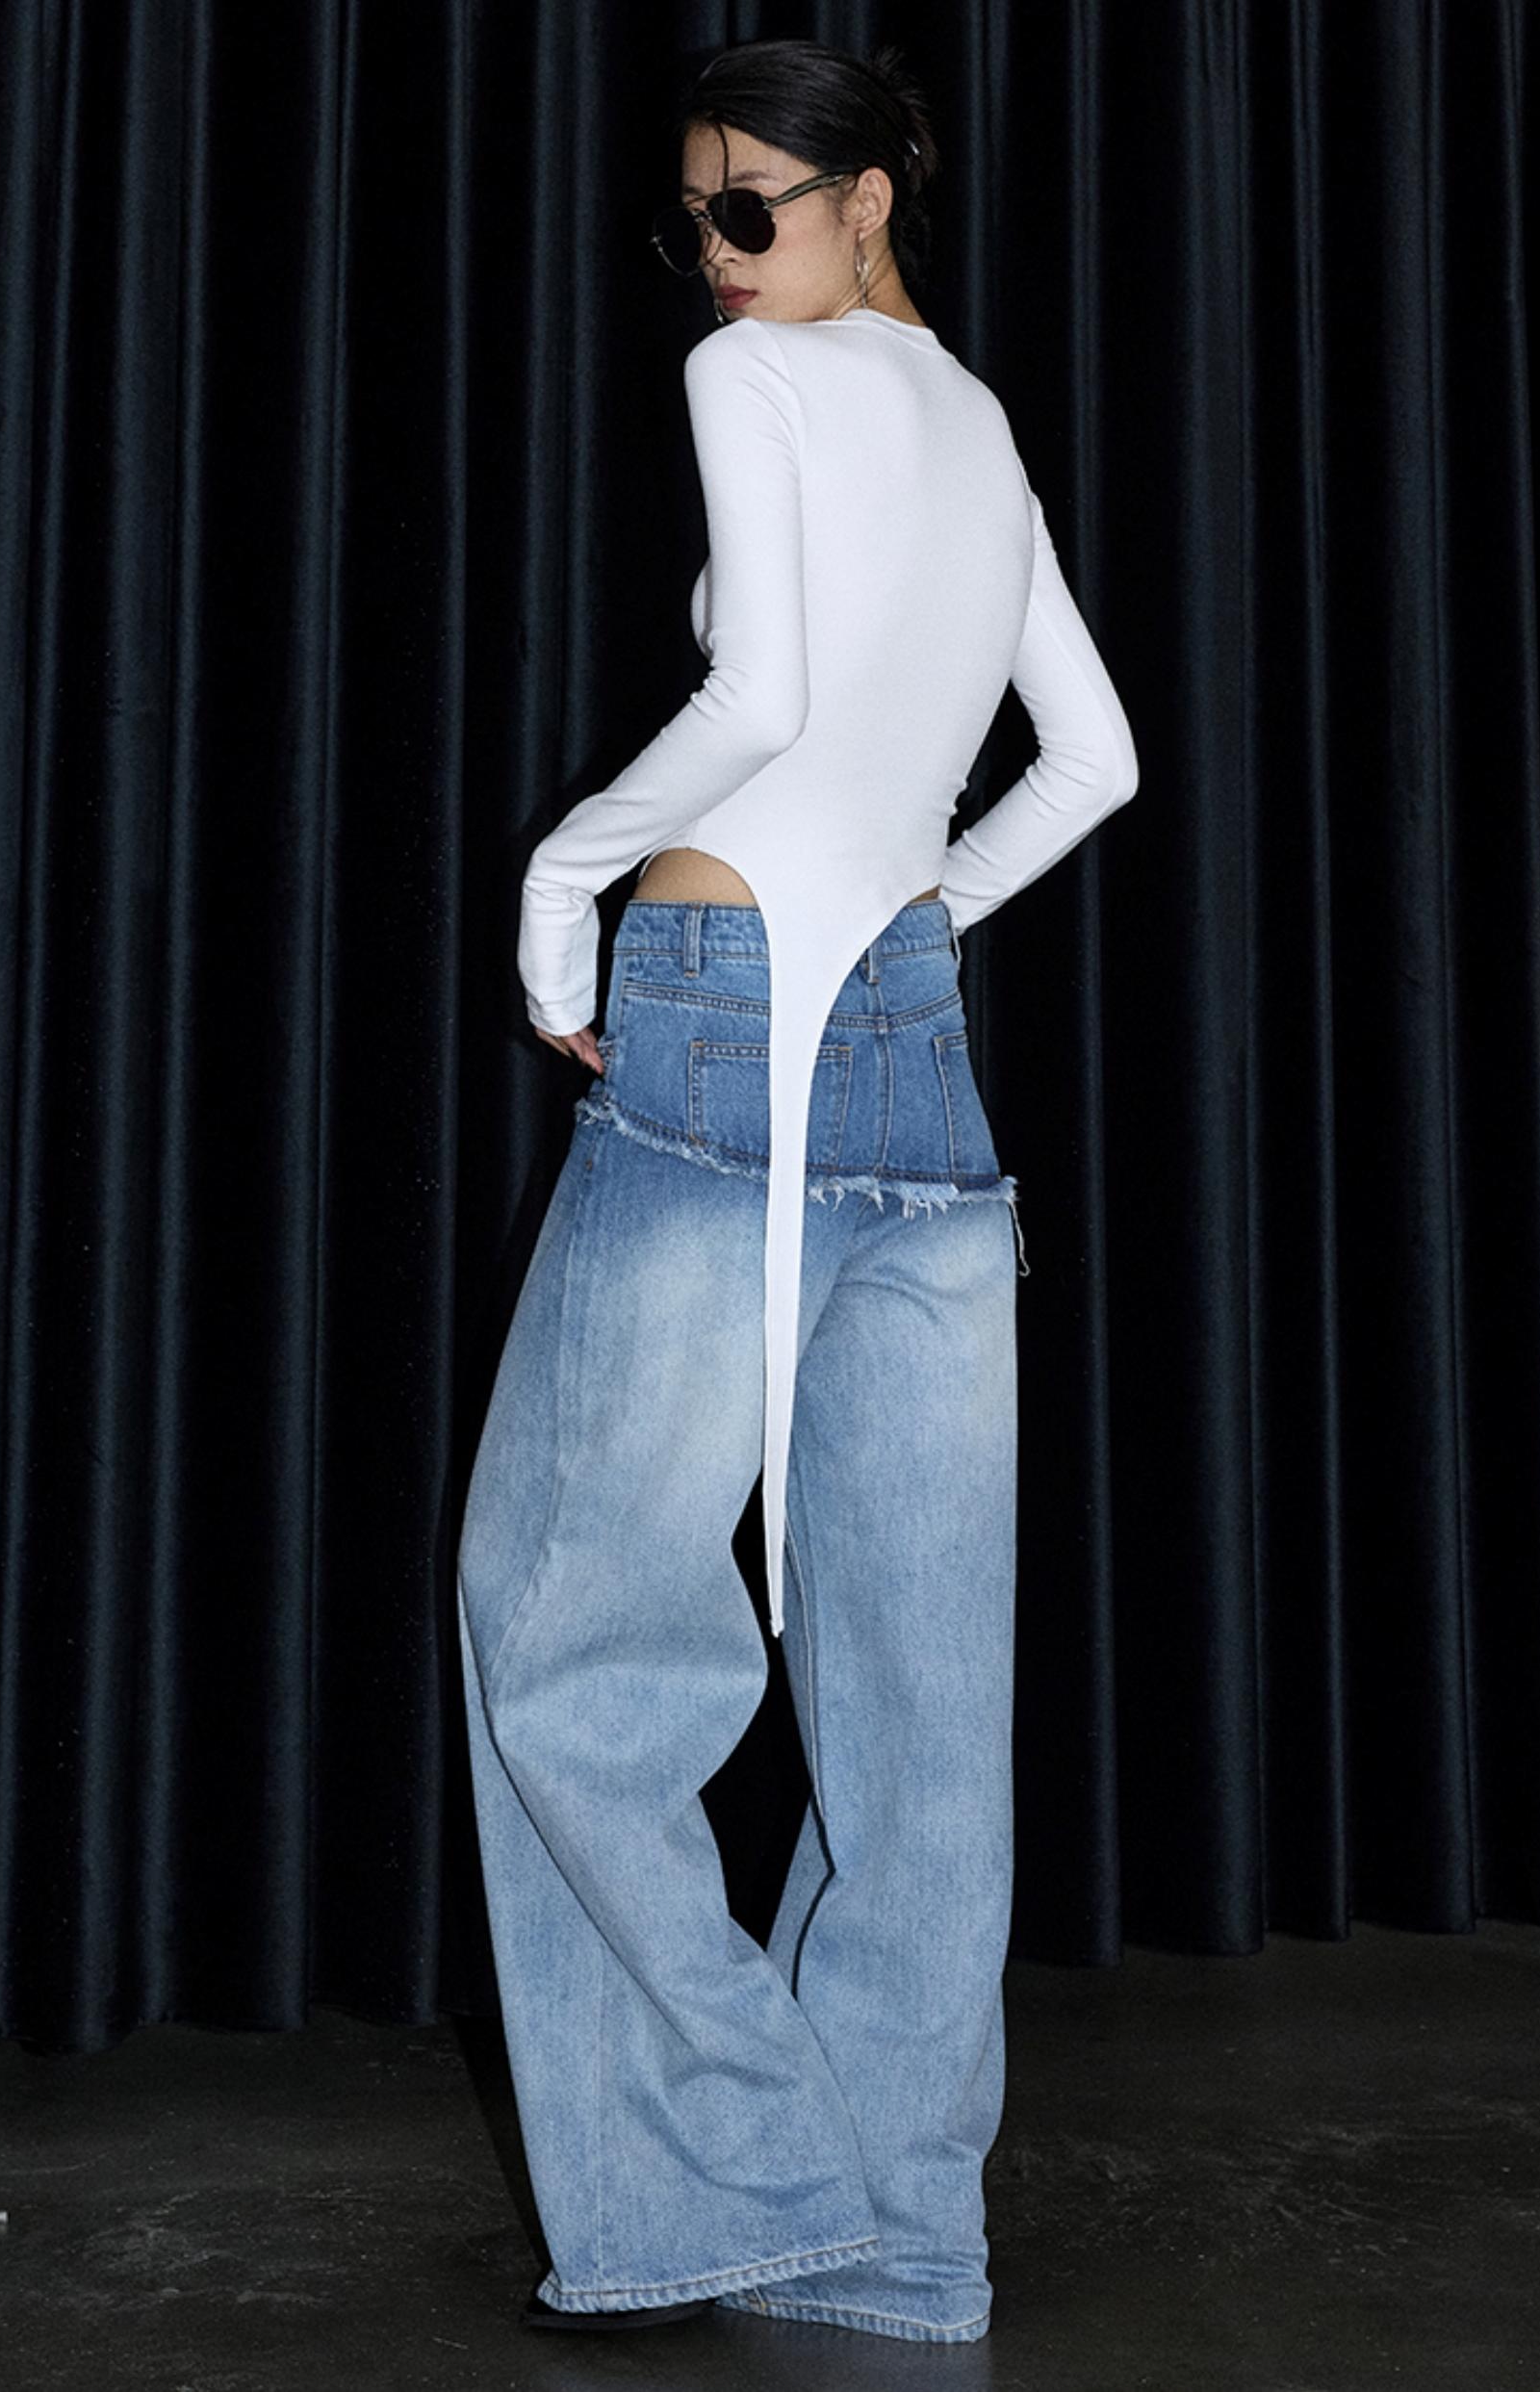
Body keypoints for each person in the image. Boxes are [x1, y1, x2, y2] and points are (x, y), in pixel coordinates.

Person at [456, 35, 1139, 2345]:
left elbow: (755, 696)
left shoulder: (749, 384)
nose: (718, 256)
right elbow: (1095, 760)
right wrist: (915, 912)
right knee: (922, 1696)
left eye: (752, 207)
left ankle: (738, 2183)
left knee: (566, 1635)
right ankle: (902, 2236)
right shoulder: (977, 419)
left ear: (868, 196)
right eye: (692, 221)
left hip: (720, 1002)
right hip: (908, 1047)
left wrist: (559, 892)